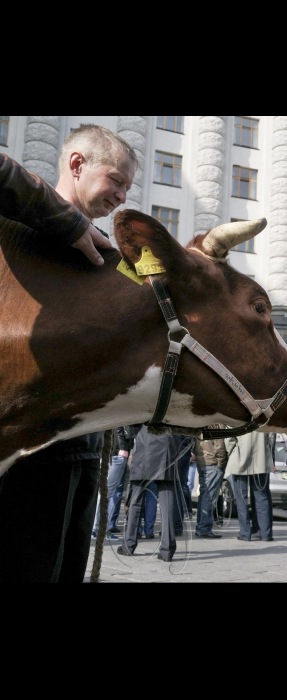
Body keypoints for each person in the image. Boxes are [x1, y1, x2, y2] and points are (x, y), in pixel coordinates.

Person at [0, 127, 136, 583]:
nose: (120, 195)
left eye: (127, 188)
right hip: (29, 447)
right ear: (77, 165)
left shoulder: (104, 251)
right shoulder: (14, 230)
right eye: (115, 180)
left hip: (86, 447)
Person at [118, 426, 181, 563]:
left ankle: (129, 544)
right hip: (168, 443)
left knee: (136, 500)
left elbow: (131, 424)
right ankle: (167, 550)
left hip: (145, 441)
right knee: (167, 501)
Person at [92, 424, 141, 541]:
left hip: (108, 452)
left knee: (103, 492)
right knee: (107, 492)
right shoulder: (123, 414)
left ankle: (96, 528)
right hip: (120, 452)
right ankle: (97, 529)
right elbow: (128, 434)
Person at [226, 432, 275, 542]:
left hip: (239, 457)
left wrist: (233, 452)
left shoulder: (238, 414)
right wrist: (266, 449)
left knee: (241, 499)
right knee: (262, 498)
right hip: (260, 458)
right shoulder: (264, 415)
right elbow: (271, 437)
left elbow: (229, 438)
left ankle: (245, 533)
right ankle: (266, 534)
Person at [193, 430, 228, 539]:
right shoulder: (215, 424)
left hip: (203, 461)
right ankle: (204, 528)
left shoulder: (200, 425)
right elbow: (219, 446)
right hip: (212, 463)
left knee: (204, 496)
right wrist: (221, 463)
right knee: (209, 498)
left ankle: (201, 527)